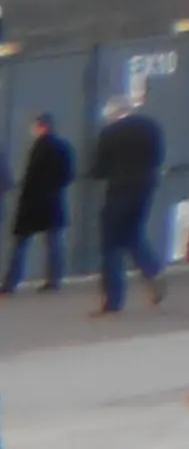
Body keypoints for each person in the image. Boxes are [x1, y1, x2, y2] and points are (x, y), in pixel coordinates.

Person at [86, 91, 165, 313]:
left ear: (113, 113)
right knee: (134, 233)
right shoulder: (151, 127)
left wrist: (92, 173)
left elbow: (100, 168)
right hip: (146, 187)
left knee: (110, 245)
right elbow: (158, 156)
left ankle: (114, 299)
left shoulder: (109, 133)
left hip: (119, 190)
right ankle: (153, 270)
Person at [8, 113, 69, 291]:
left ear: (42, 126)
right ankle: (54, 279)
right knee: (54, 242)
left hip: (33, 203)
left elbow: (31, 177)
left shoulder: (39, 147)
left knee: (21, 243)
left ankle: (12, 281)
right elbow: (68, 174)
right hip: (53, 200)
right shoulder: (62, 146)